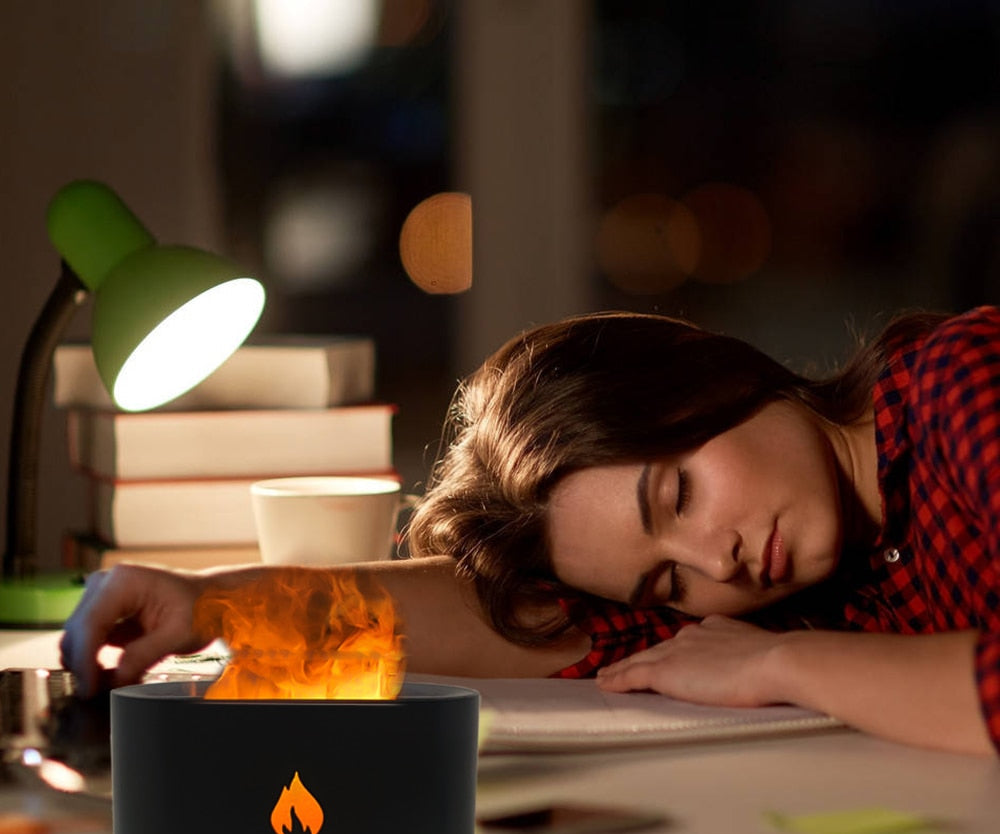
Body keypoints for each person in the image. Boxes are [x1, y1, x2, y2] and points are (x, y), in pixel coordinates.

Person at [59, 305, 1000, 757]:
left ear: (711, 380)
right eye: (667, 586)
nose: (720, 562)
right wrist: (217, 607)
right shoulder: (844, 580)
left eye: (676, 496)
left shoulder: (961, 385)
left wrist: (778, 670)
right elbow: (522, 622)